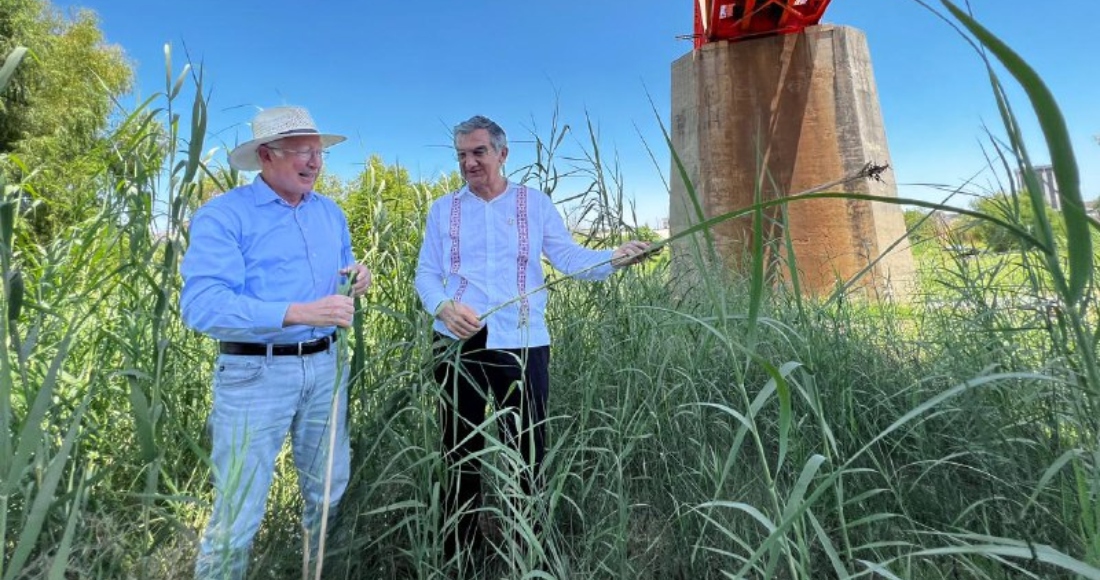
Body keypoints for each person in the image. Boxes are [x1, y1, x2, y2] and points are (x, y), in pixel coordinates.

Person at [414, 115, 651, 566]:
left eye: (478, 152)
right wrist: (443, 307)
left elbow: (567, 257)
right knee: (458, 448)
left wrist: (614, 258)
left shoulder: (533, 204)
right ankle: (460, 555)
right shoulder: (443, 209)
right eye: (462, 154)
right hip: (455, 342)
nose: (469, 162)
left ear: (502, 154)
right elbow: (426, 273)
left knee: (526, 449)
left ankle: (527, 550)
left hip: (521, 343)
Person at [180, 105, 371, 579]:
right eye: (301, 152)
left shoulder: (330, 213)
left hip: (326, 368)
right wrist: (297, 313)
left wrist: (356, 276)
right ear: (266, 155)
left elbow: (343, 268)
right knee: (238, 508)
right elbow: (202, 305)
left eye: (318, 152)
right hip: (254, 375)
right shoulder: (225, 216)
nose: (314, 162)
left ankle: (318, 571)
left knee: (328, 492)